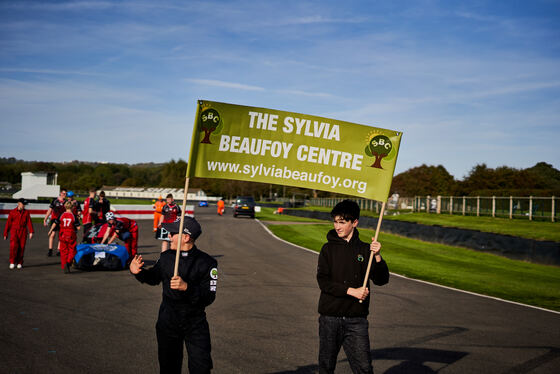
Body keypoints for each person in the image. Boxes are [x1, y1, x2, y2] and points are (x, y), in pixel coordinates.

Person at [129, 216, 217, 374]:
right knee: (168, 367)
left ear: (186, 237)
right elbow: (153, 278)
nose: (169, 236)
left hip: (195, 322)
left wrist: (186, 287)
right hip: (168, 319)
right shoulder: (166, 257)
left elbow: (209, 297)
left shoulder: (207, 262)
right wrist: (139, 273)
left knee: (201, 368)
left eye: (173, 233)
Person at [316, 199, 389, 374]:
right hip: (330, 318)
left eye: (342, 222)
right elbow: (323, 282)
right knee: (326, 367)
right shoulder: (327, 249)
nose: (337, 226)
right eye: (335, 221)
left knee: (364, 368)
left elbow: (381, 279)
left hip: (356, 320)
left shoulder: (366, 250)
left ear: (354, 223)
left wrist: (378, 256)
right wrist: (351, 291)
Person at [4, 198, 34, 269]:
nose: (24, 206)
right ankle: (12, 262)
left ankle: (20, 262)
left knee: (22, 247)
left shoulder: (26, 212)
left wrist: (31, 232)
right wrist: (6, 233)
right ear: (19, 204)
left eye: (25, 205)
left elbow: (29, 222)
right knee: (13, 246)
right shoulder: (12, 212)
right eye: (23, 204)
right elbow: (8, 223)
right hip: (14, 230)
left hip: (23, 231)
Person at [57, 201, 81, 273]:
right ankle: (68, 262)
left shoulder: (61, 215)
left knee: (63, 251)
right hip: (70, 234)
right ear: (72, 207)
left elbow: (57, 223)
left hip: (62, 234)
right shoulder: (73, 216)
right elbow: (78, 227)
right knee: (72, 250)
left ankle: (64, 264)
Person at [43, 188, 67, 256]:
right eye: (64, 193)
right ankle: (50, 250)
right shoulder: (55, 201)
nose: (65, 195)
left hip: (62, 220)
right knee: (52, 234)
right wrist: (45, 219)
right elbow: (50, 210)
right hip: (54, 219)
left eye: (66, 194)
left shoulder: (66, 202)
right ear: (61, 193)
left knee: (60, 235)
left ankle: (58, 250)